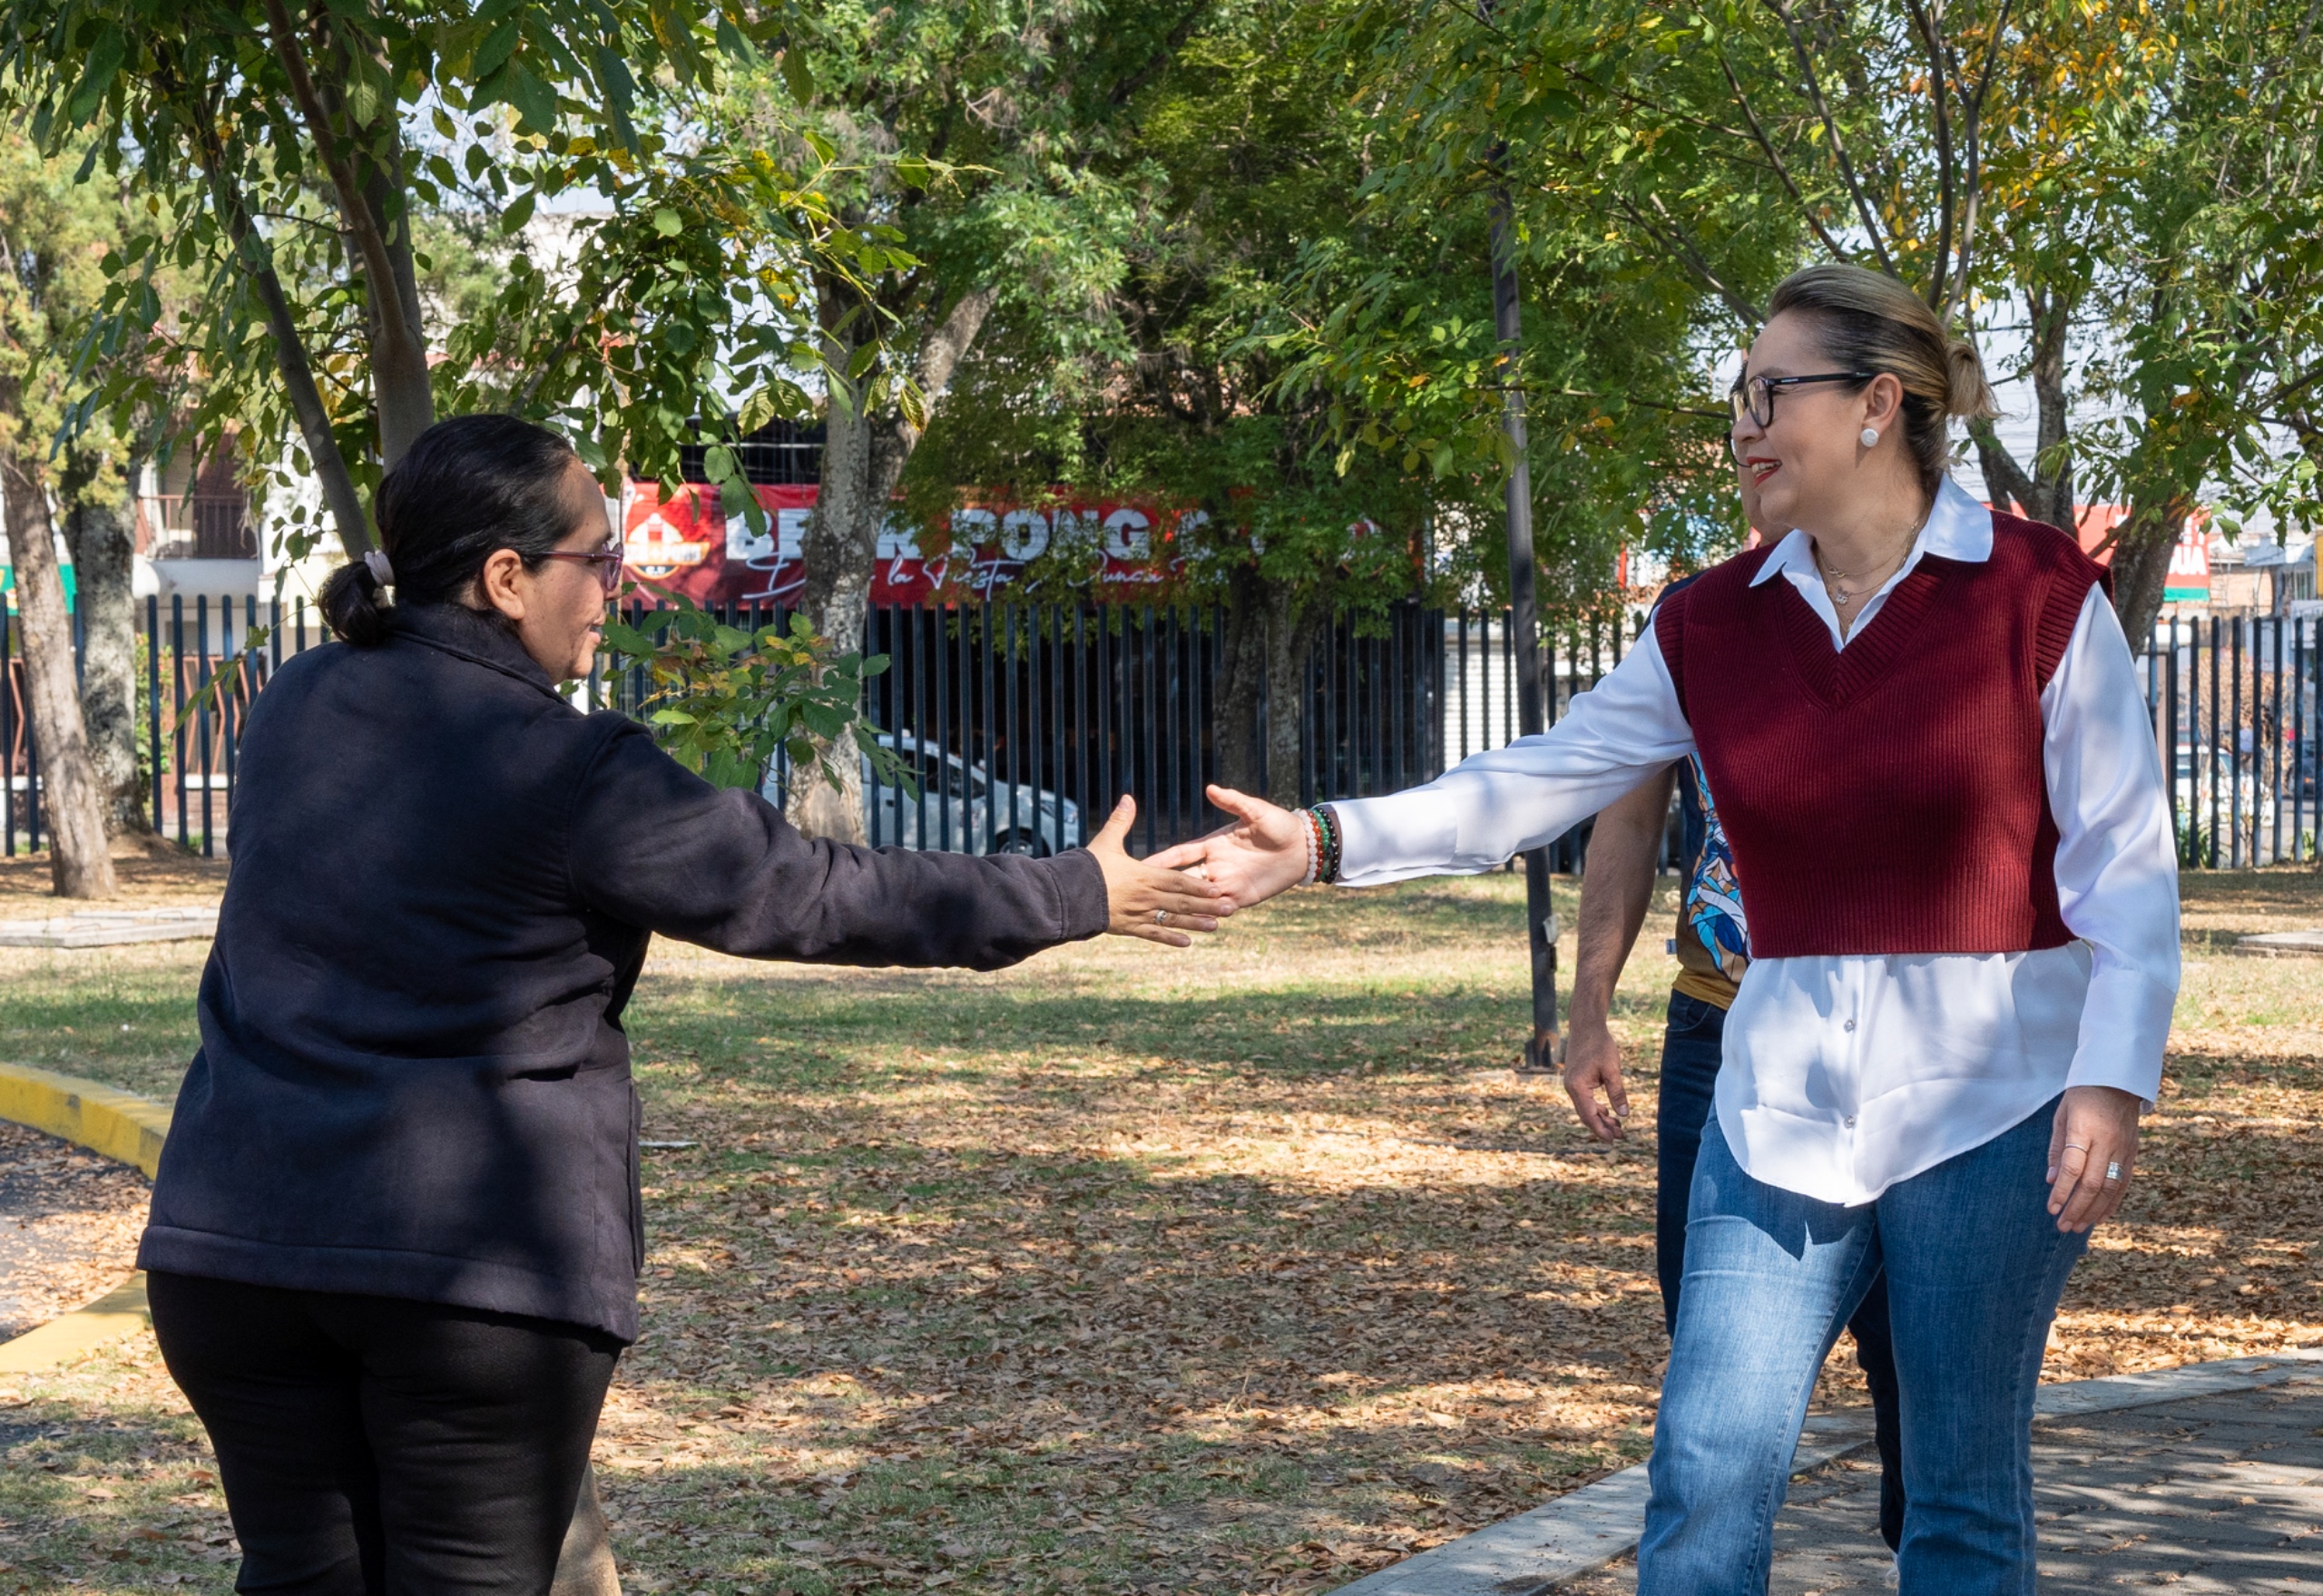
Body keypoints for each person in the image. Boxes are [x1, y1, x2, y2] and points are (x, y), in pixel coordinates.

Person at [1164, 263, 2178, 1594]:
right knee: (1704, 1472)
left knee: (1957, 1493)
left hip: (1998, 1109)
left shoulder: (2036, 592)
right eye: (1737, 395)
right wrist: (1325, 842)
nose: (1745, 424)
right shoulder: (1710, 621)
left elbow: (2126, 861)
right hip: (1779, 1109)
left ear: (1878, 404)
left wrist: (2110, 1080)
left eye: (1772, 391)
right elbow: (1541, 777)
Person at [137, 415, 1231, 1596]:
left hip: (234, 1254)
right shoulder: (572, 766)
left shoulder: (294, 703)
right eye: (598, 559)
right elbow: (816, 892)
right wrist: (1076, 887)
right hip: (473, 1280)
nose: (618, 587)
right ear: (506, 577)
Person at [1561, 473, 1905, 1554]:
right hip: (1720, 1030)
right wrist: (1587, 1011)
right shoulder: (1698, 626)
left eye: (1773, 422)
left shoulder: (1931, 610)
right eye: (1742, 433)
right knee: (1715, 1393)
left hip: (1914, 1042)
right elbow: (1622, 817)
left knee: (1924, 1400)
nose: (1755, 455)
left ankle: (1916, 1541)